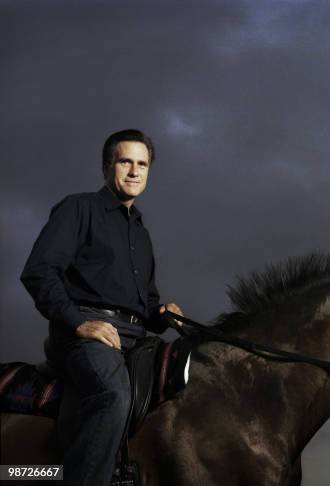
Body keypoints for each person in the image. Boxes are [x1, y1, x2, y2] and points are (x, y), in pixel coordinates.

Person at [20, 129, 184, 486]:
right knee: (113, 394)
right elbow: (38, 272)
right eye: (126, 161)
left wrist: (162, 314)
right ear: (107, 165)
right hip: (86, 333)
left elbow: (145, 302)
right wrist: (78, 323)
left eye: (142, 164)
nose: (134, 171)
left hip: (136, 337)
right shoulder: (79, 208)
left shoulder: (141, 232)